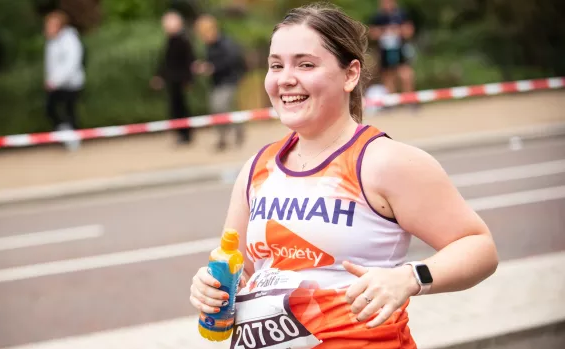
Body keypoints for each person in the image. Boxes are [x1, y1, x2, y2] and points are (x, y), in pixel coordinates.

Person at [189, 3, 498, 348]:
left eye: (305, 64)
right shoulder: (257, 167)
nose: (286, 78)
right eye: (276, 65)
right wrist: (211, 288)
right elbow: (242, 271)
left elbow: (479, 247)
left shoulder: (384, 161)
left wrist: (410, 278)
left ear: (350, 74)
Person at [193, 14, 247, 151]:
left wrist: (213, 67)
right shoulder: (209, 46)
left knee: (220, 107)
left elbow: (232, 60)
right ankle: (234, 131)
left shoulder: (226, 43)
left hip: (229, 80)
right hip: (217, 82)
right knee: (220, 109)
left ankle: (224, 137)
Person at [151, 11, 196, 145]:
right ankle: (180, 134)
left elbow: (189, 61)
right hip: (172, 80)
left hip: (180, 80)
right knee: (175, 108)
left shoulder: (183, 40)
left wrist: (188, 80)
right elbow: (166, 62)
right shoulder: (170, 41)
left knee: (182, 108)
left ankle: (186, 134)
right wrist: (160, 76)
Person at [44, 10, 85, 150]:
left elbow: (71, 63)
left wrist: (55, 81)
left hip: (71, 83)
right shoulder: (52, 41)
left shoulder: (69, 40)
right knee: (51, 109)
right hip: (56, 84)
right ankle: (65, 134)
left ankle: (73, 139)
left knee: (69, 111)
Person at [369, 0, 416, 95]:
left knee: (406, 75)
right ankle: (392, 103)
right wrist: (384, 31)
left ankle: (410, 101)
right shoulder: (377, 17)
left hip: (400, 50)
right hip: (385, 51)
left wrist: (398, 31)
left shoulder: (402, 15)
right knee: (387, 76)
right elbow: (372, 34)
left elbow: (409, 31)